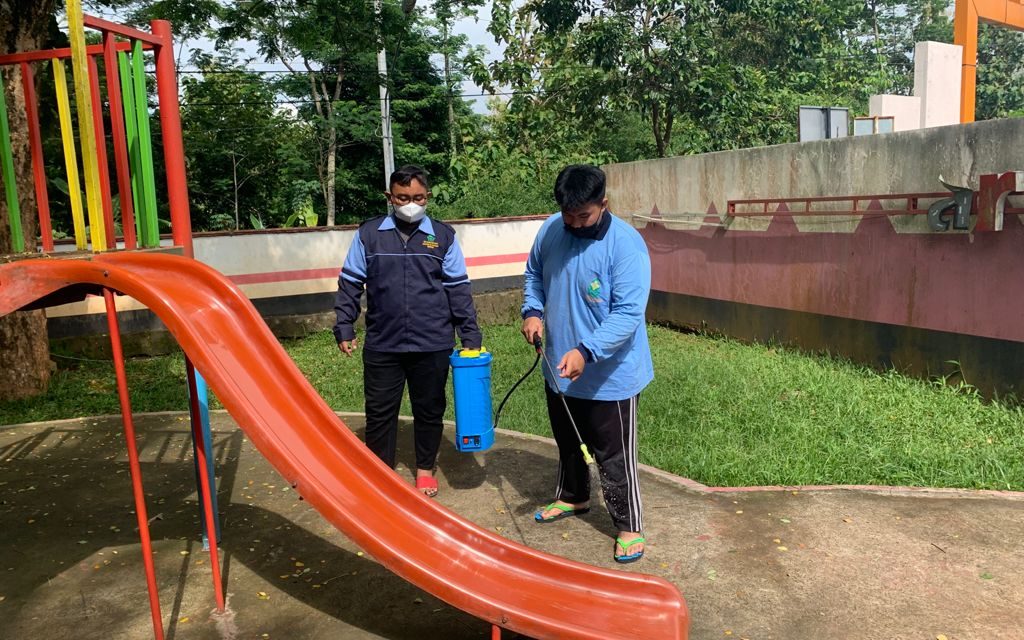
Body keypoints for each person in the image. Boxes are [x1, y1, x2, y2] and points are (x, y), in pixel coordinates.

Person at [521, 164, 653, 563]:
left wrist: (587, 351)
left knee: (613, 454)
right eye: (568, 215)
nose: (575, 224)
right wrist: (531, 311)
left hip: (609, 375)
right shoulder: (550, 230)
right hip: (558, 367)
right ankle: (573, 496)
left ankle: (629, 525)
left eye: (584, 216)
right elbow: (534, 276)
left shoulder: (625, 245)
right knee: (567, 441)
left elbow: (628, 314)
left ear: (604, 204)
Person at [334, 165, 482, 497]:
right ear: (390, 197)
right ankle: (380, 475)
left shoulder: (443, 236)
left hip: (432, 342)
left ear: (427, 197)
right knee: (380, 411)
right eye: (402, 198)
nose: (410, 204)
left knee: (429, 409)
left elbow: (458, 288)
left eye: (417, 197)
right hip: (383, 343)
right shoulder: (369, 235)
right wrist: (344, 325)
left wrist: (469, 335)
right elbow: (350, 283)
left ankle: (425, 470)